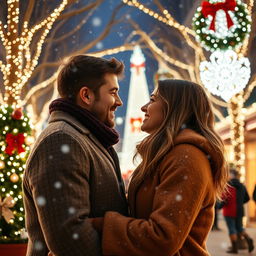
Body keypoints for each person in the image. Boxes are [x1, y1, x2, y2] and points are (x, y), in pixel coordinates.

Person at [90, 79, 228, 256]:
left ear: (175, 107)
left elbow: (163, 238)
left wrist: (96, 225)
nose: (144, 107)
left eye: (153, 99)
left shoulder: (186, 157)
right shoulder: (167, 155)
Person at [23, 55, 128, 256]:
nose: (119, 102)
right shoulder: (61, 140)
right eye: (113, 92)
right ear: (86, 95)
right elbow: (71, 240)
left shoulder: (86, 138)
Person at [220, 168, 254, 254]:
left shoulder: (228, 185)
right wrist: (239, 203)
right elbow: (247, 198)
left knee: (232, 229)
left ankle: (234, 248)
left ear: (231, 175)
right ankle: (249, 240)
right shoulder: (242, 185)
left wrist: (219, 207)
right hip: (239, 211)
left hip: (229, 211)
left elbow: (224, 199)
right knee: (239, 228)